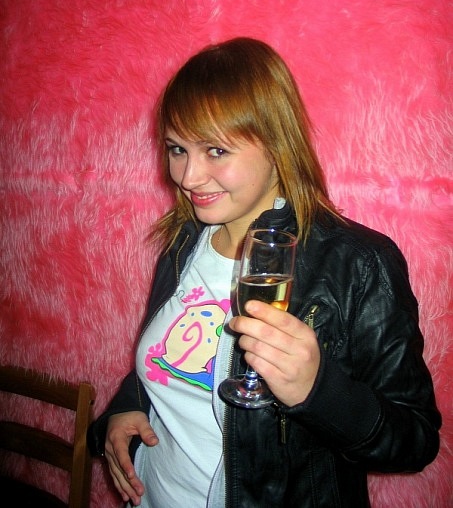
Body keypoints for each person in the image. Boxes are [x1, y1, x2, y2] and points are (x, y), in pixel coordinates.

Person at [89, 37, 441, 507]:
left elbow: (415, 439)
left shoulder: (357, 263)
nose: (188, 177)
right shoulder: (183, 243)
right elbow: (169, 359)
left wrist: (319, 391)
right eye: (177, 149)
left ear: (277, 145)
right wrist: (126, 406)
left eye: (215, 151)